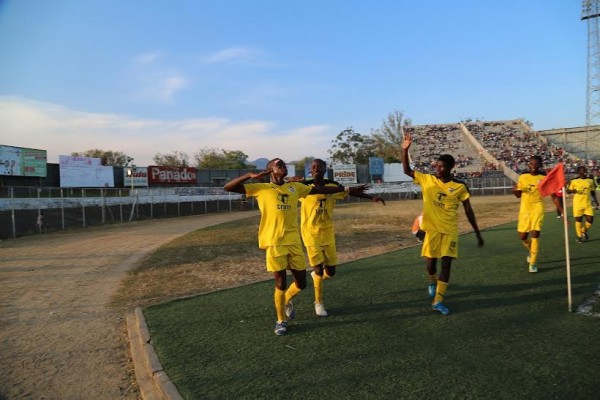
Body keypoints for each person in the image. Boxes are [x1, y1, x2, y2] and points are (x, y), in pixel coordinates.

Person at [224, 158, 366, 335]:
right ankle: (280, 321)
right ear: (270, 171)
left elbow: (319, 189)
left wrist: (346, 189)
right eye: (279, 165)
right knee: (280, 282)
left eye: (284, 164)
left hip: (294, 242)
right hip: (274, 242)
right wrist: (248, 175)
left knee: (301, 283)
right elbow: (228, 187)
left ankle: (287, 301)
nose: (283, 166)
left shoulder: (295, 188)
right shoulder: (261, 189)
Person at [401, 130, 484, 315]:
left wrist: (477, 232)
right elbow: (406, 170)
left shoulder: (460, 187)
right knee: (431, 266)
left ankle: (438, 301)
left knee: (446, 264)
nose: (437, 170)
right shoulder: (427, 179)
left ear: (450, 167)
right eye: (436, 166)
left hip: (450, 231)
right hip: (431, 230)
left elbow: (468, 210)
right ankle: (432, 280)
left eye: (441, 167)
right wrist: (404, 150)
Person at [299, 159, 385, 317]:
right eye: (313, 167)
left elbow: (350, 192)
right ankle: (318, 302)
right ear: (310, 171)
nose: (316, 169)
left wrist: (371, 197)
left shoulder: (333, 188)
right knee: (318, 269)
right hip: (310, 234)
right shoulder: (304, 188)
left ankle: (318, 276)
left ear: (325, 169)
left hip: (328, 233)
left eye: (320, 167)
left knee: (331, 272)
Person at [512, 155, 545, 273]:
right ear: (528, 165)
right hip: (525, 209)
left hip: (538, 208)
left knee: (535, 234)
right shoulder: (523, 176)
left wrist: (560, 209)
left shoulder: (544, 177)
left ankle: (533, 263)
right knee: (523, 237)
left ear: (540, 165)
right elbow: (518, 195)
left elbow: (551, 193)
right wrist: (515, 190)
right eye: (531, 163)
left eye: (536, 164)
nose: (533, 166)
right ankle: (532, 251)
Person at [566, 165, 599, 243]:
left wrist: (596, 201)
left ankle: (583, 230)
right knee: (578, 221)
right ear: (579, 172)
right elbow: (568, 191)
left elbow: (592, 191)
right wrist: (573, 191)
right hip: (577, 204)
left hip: (587, 204)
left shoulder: (590, 180)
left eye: (585, 170)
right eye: (583, 171)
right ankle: (579, 236)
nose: (585, 172)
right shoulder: (574, 181)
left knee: (590, 220)